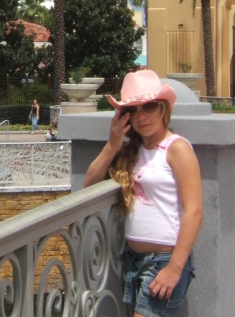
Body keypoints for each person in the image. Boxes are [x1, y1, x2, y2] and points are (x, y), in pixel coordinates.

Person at [84, 70, 203, 317]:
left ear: (163, 109)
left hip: (164, 260)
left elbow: (195, 211)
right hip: (133, 261)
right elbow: (89, 184)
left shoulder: (177, 148)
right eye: (133, 110)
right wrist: (112, 144)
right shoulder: (133, 151)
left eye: (148, 107)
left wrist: (174, 268)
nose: (141, 117)